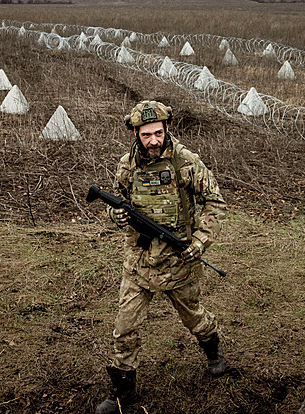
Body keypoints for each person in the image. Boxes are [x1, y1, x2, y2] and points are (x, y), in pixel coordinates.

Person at [95, 101, 228, 414]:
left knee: (193, 316)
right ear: (137, 135)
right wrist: (117, 215)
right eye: (146, 135)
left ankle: (214, 351)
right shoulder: (127, 165)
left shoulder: (186, 161)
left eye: (158, 133)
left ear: (166, 129)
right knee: (124, 327)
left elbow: (215, 203)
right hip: (139, 262)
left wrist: (200, 240)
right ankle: (123, 393)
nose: (153, 140)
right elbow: (115, 202)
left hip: (180, 261)